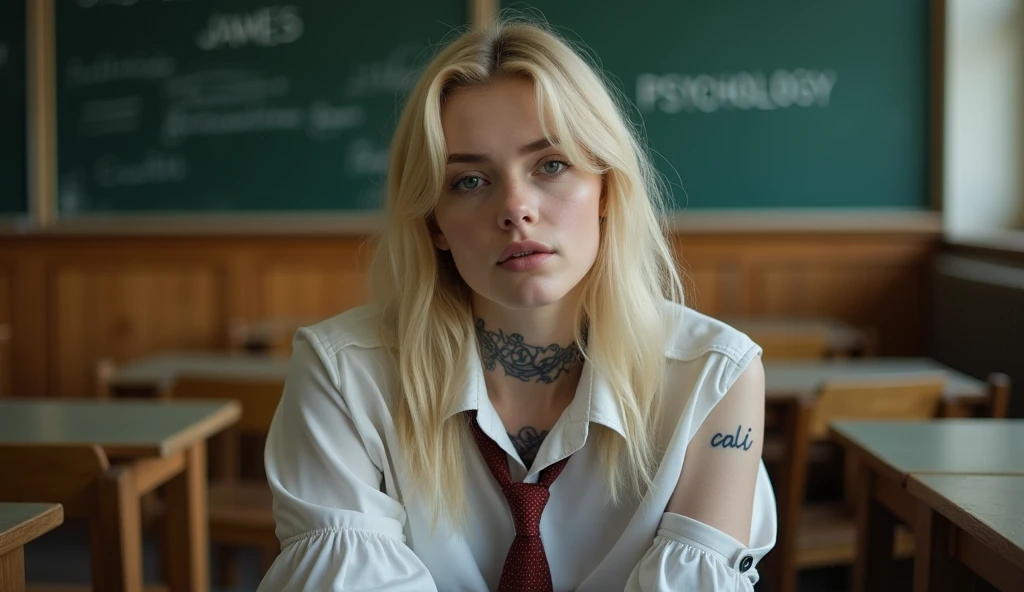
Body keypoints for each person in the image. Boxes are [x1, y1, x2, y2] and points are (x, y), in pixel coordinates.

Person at [258, 16, 775, 592]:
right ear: (434, 225)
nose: (516, 208)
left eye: (551, 165)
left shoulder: (715, 377)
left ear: (607, 188)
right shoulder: (343, 372)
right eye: (469, 182)